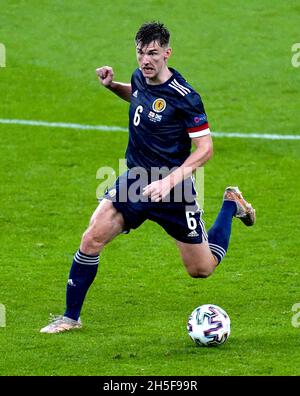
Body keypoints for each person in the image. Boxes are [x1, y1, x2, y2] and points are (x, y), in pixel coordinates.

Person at [40, 22, 255, 334]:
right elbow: (140, 95)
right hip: (137, 180)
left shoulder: (186, 97)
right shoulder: (140, 76)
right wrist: (114, 86)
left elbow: (205, 148)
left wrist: (169, 181)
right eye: (140, 52)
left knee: (201, 269)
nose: (145, 60)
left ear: (167, 53)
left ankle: (230, 204)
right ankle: (70, 317)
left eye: (153, 53)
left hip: (175, 190)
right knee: (91, 238)